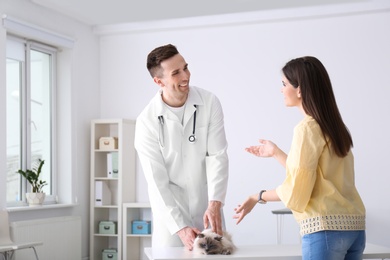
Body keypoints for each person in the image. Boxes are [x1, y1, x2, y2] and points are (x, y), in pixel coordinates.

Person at [233, 56, 366, 259]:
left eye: (284, 84)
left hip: (325, 229)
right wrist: (276, 153)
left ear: (300, 89)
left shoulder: (306, 128)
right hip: (355, 228)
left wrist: (257, 196)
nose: (281, 89)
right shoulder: (336, 127)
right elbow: (313, 177)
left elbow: (297, 189)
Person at [134, 44, 229, 250]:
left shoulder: (209, 102)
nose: (186, 75)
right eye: (176, 73)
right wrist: (179, 227)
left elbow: (217, 155)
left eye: (185, 67)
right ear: (158, 81)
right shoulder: (146, 121)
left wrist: (215, 202)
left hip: (207, 206)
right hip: (171, 217)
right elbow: (156, 181)